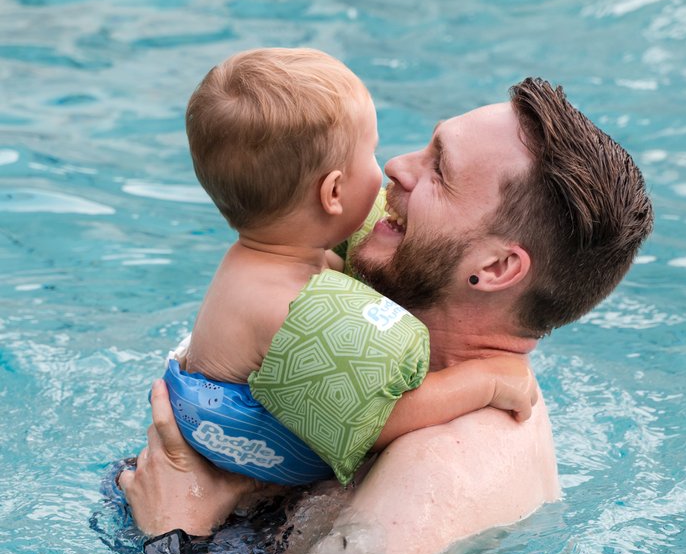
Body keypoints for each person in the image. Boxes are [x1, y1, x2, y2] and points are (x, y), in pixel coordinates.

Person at [121, 77, 653, 554]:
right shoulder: (360, 336)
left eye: (439, 173)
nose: (398, 168)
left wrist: (173, 540)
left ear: (497, 266)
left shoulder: (442, 470)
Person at [165, 47, 536, 495]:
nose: (391, 169)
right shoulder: (291, 310)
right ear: (334, 192)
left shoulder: (266, 261)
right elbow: (374, 422)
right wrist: (485, 380)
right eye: (372, 154)